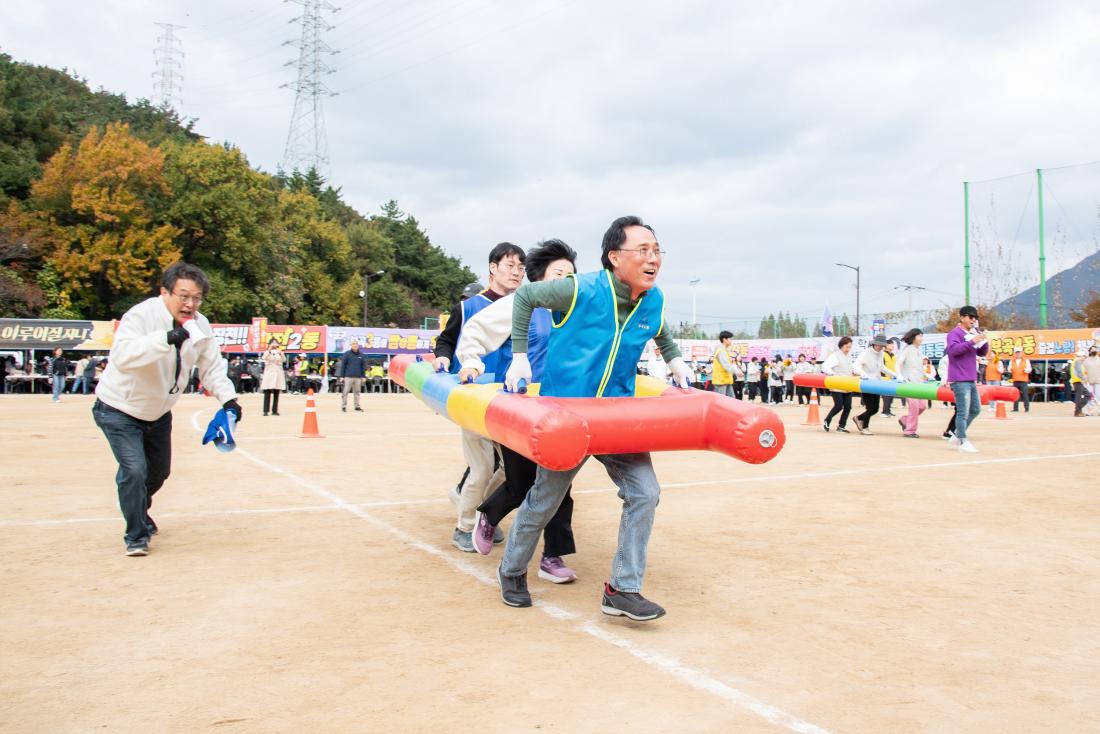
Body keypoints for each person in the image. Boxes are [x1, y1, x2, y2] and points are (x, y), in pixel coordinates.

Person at [496, 215, 693, 620]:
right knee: (544, 501)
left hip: (617, 417)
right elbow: (525, 296)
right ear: (613, 257)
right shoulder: (579, 289)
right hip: (567, 418)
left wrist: (673, 360)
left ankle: (623, 588)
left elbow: (657, 327)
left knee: (645, 492)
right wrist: (518, 357)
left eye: (657, 251)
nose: (653, 258)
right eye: (643, 250)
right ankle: (512, 570)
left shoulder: (652, 298)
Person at [92, 261, 241, 556]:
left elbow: (211, 367)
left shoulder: (201, 325)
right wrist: (165, 338)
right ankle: (136, 535)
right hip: (118, 408)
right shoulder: (141, 316)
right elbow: (123, 357)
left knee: (158, 473)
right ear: (164, 292)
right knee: (134, 470)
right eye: (183, 296)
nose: (189, 304)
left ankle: (138, 509)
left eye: (196, 298)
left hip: (158, 414)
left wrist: (229, 400)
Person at [456, 239, 580, 582]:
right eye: (558, 274)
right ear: (539, 278)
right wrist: (470, 362)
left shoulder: (579, 309)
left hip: (561, 409)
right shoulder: (521, 303)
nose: (565, 282)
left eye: (571, 275)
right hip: (520, 407)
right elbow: (476, 331)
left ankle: (552, 557)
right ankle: (488, 514)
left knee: (561, 487)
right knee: (522, 482)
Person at [434, 242, 526, 551]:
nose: (517, 272)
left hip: (511, 398)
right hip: (474, 396)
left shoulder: (525, 305)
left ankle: (484, 515)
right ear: (493, 268)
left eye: (521, 268)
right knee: (482, 466)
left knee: (511, 470)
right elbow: (446, 340)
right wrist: (443, 358)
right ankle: (465, 526)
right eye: (510, 266)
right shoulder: (469, 306)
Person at [944, 305, 988, 452]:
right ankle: (962, 441)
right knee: (962, 412)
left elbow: (982, 352)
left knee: (975, 409)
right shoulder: (954, 334)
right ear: (962, 317)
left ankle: (957, 434)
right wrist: (972, 341)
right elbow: (954, 351)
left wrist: (983, 339)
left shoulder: (972, 333)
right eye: (971, 317)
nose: (973, 320)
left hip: (970, 378)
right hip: (959, 379)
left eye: (975, 318)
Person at [853, 334, 893, 435]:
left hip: (876, 383)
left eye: (881, 346)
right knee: (870, 407)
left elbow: (882, 367)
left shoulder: (881, 354)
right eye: (878, 345)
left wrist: (894, 374)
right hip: (866, 383)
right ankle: (865, 428)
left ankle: (858, 418)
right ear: (874, 344)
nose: (879, 347)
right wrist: (863, 374)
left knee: (875, 409)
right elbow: (855, 366)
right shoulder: (865, 353)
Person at [894, 328, 927, 438]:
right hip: (909, 384)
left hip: (919, 384)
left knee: (922, 406)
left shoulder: (919, 350)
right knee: (914, 408)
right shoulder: (907, 349)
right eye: (919, 336)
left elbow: (918, 368)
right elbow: (898, 363)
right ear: (913, 338)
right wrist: (899, 376)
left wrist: (927, 377)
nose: (921, 338)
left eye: (922, 336)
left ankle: (905, 420)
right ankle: (909, 431)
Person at [821, 336, 857, 433]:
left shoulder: (849, 356)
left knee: (848, 407)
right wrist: (832, 374)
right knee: (838, 406)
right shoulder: (835, 356)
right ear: (841, 346)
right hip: (837, 385)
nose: (848, 349)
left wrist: (855, 373)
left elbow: (851, 368)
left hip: (848, 385)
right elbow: (825, 366)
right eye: (846, 347)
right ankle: (827, 420)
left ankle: (841, 426)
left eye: (850, 347)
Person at [338, 341, 368, 412]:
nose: (355, 345)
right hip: (348, 377)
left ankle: (357, 406)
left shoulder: (361, 354)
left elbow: (363, 366)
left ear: (358, 345)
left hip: (358, 377)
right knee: (345, 392)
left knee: (357, 392)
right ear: (351, 345)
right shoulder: (347, 354)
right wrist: (342, 376)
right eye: (353, 344)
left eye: (356, 344)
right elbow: (343, 366)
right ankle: (344, 406)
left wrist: (363, 376)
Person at [260, 339, 286, 416]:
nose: (275, 344)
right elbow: (264, 357)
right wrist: (269, 349)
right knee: (267, 393)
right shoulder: (267, 352)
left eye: (276, 342)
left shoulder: (279, 352)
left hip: (278, 373)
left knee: (276, 393)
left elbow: (284, 360)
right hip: (269, 374)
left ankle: (275, 410)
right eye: (273, 342)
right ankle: (265, 411)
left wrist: (281, 353)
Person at [710, 332, 737, 398]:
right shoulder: (721, 350)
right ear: (725, 339)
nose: (731, 341)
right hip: (720, 381)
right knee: (721, 401)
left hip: (725, 380)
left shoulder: (724, 350)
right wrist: (736, 372)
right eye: (730, 339)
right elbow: (726, 364)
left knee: (732, 400)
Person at [1008, 346, 1032, 413]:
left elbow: (1029, 369)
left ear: (1021, 353)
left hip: (1023, 380)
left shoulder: (1026, 360)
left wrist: (1026, 370)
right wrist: (1010, 369)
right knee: (1015, 395)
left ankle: (1026, 407)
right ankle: (1015, 408)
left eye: (1019, 352)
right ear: (1015, 353)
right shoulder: (1012, 360)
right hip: (1015, 380)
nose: (1018, 354)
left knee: (1025, 394)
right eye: (1016, 353)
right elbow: (1009, 369)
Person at [1070, 349, 1092, 417]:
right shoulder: (1077, 361)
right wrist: (1083, 378)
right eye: (1084, 357)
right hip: (1078, 381)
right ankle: (1078, 411)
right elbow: (1079, 372)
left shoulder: (1076, 361)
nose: (1084, 358)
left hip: (1078, 381)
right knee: (1080, 397)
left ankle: (1078, 409)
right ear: (1081, 356)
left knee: (1087, 395)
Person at [881, 339, 899, 417]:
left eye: (893, 344)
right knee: (887, 396)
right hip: (885, 378)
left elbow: (895, 366)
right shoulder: (883, 354)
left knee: (891, 396)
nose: (893, 346)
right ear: (886, 345)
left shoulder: (893, 355)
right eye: (891, 344)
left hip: (892, 378)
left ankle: (888, 410)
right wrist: (883, 376)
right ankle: (884, 412)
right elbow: (882, 367)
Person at [1083, 346, 1100, 415]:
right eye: (1092, 350)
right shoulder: (1086, 361)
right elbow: (1084, 371)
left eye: (1095, 350)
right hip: (1089, 382)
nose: (1094, 351)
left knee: (1099, 397)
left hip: (1098, 381)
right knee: (1090, 397)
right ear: (1089, 351)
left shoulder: (1099, 359)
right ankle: (1088, 411)